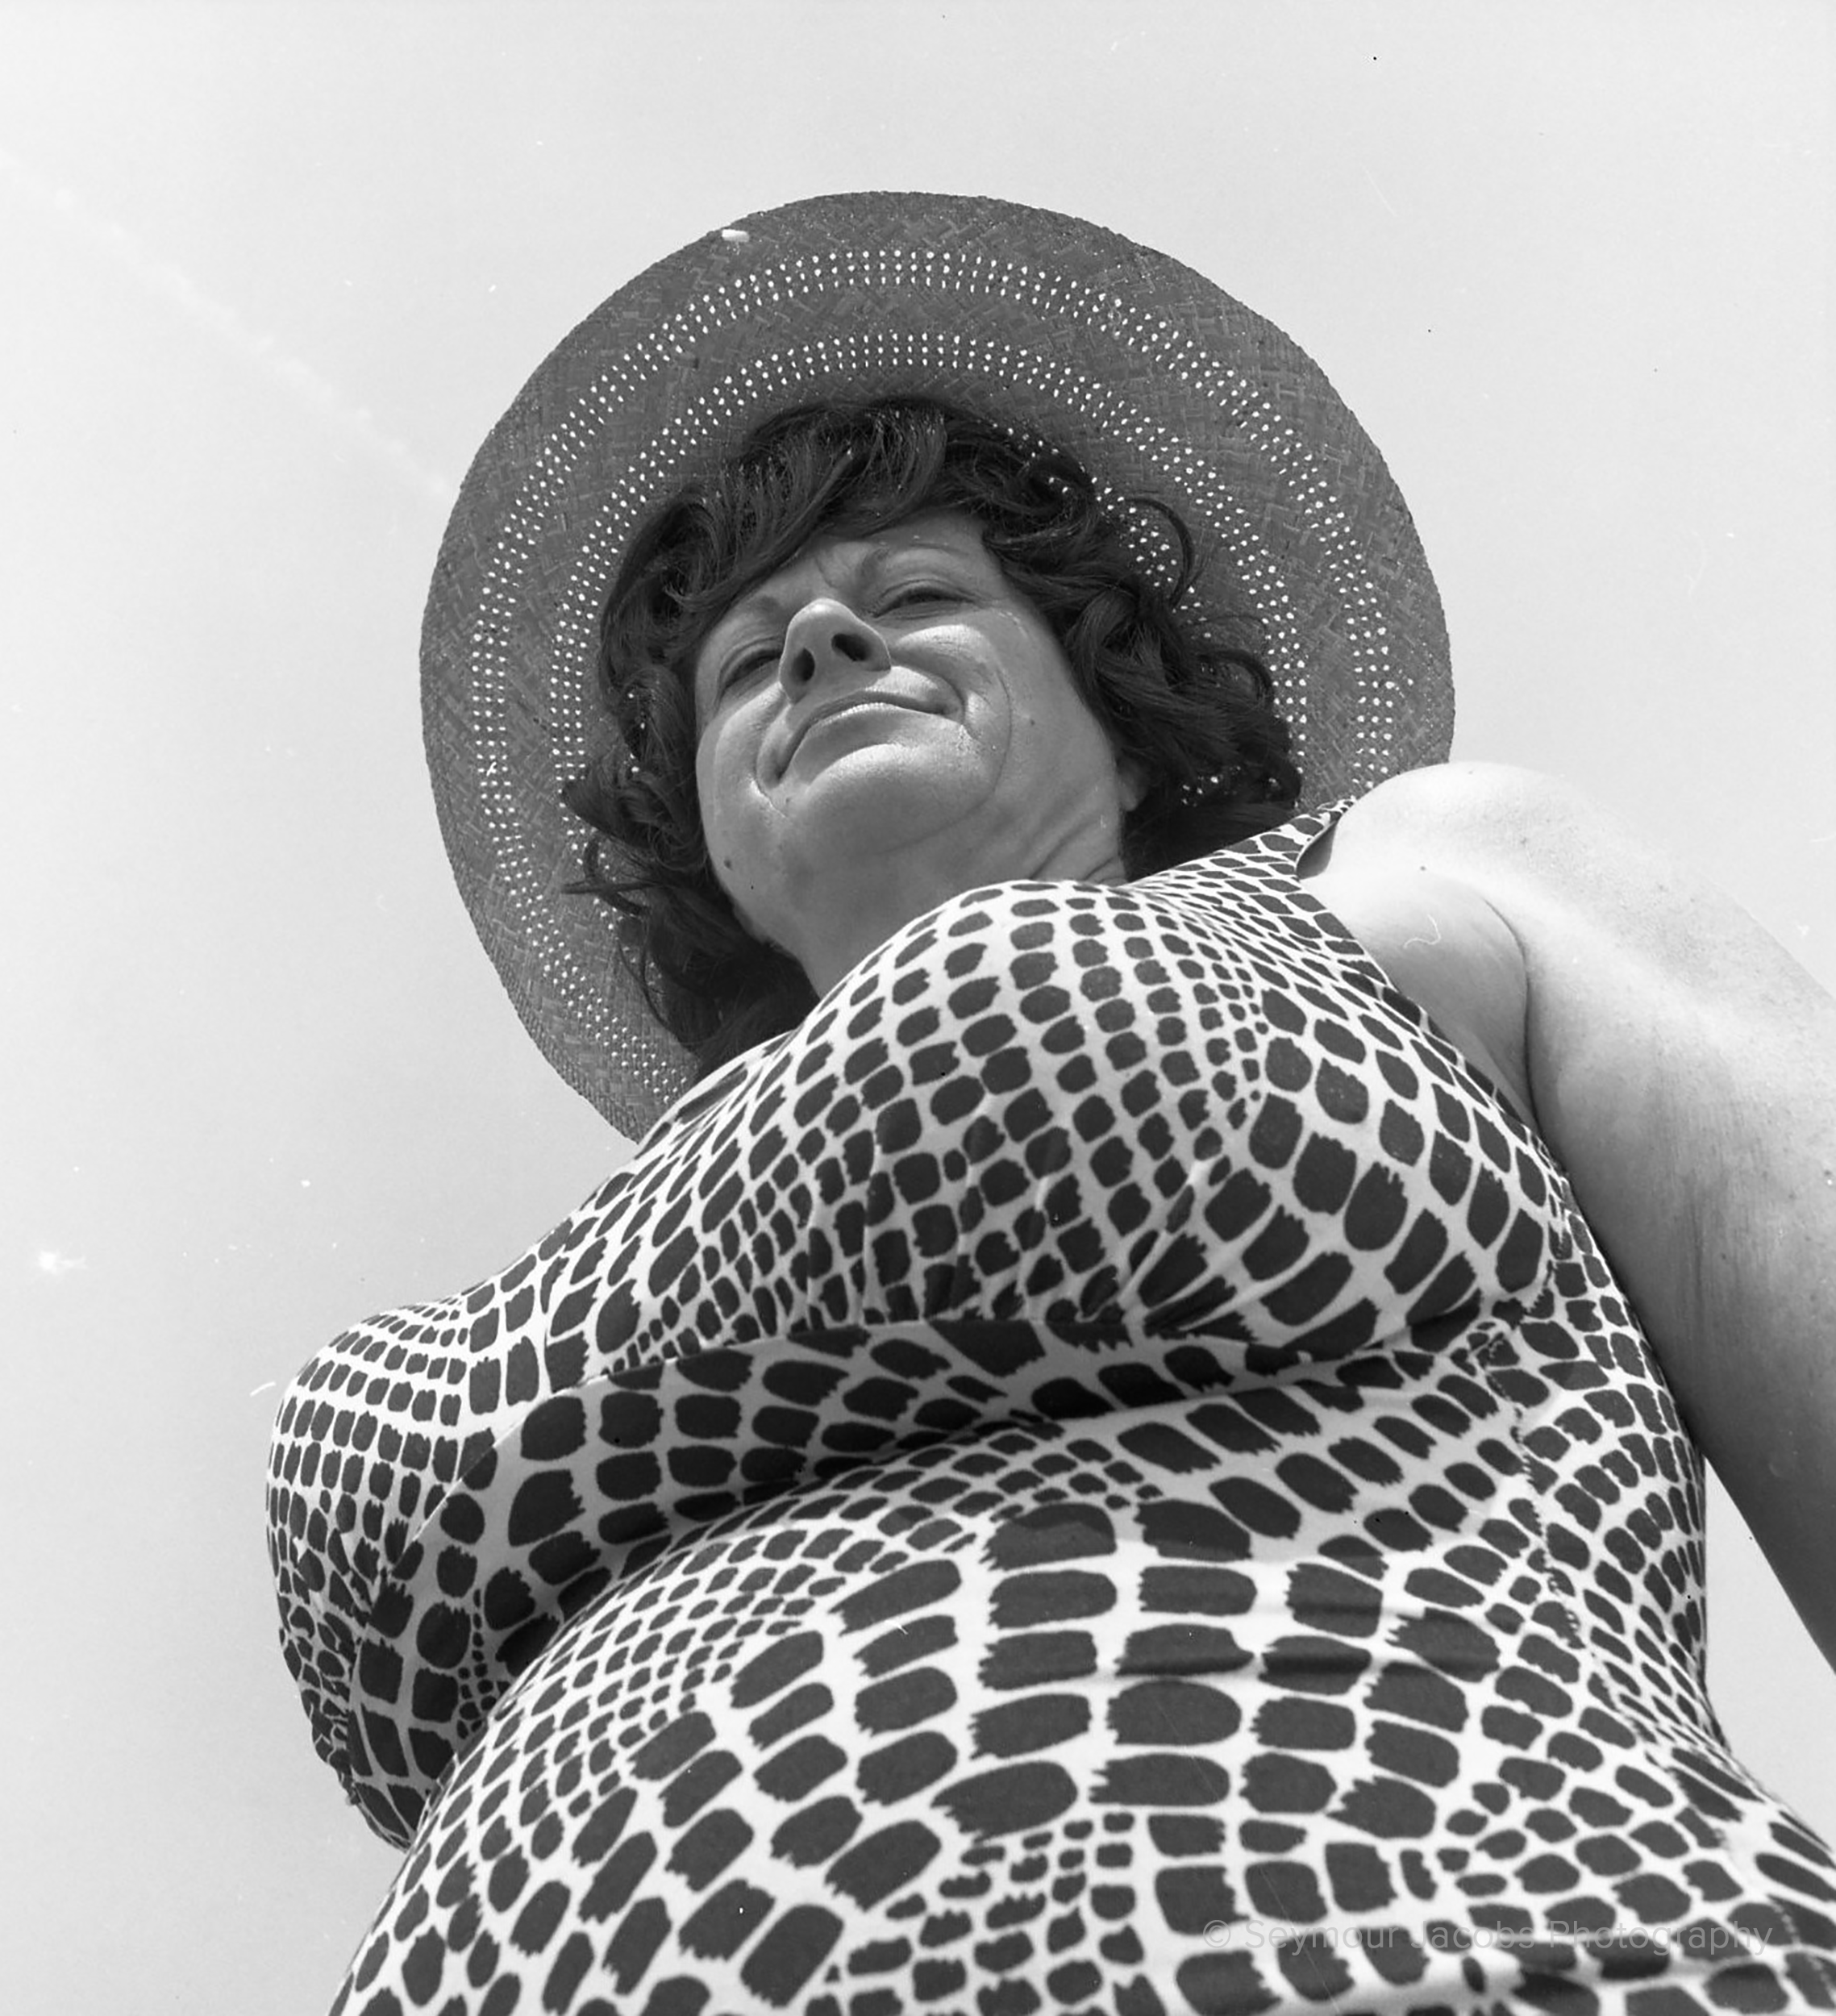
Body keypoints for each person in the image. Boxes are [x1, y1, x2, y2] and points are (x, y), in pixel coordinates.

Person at [268, 193, 1836, 2015]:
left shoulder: (1414, 867)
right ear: (692, 823)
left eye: (919, 597)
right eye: (743, 655)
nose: (824, 647)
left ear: (1113, 693)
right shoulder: (596, 1237)